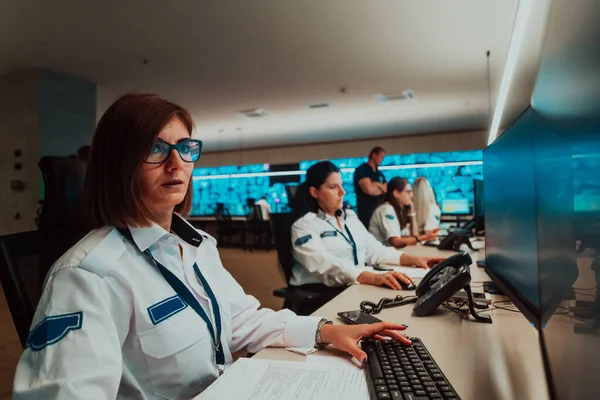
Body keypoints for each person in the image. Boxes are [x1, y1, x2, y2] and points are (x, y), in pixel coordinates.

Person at [13, 94, 413, 399]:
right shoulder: (87, 276)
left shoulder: (196, 244)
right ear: (119, 163)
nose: (177, 163)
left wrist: (325, 331)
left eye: (185, 148)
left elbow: (241, 321)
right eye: (155, 148)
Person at [291, 161, 442, 290]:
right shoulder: (304, 226)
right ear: (314, 192)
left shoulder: (349, 218)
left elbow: (375, 251)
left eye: (342, 186)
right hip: (321, 293)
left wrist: (415, 260)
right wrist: (374, 278)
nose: (342, 192)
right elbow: (325, 266)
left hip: (354, 285)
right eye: (333, 187)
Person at [369, 177, 440, 248]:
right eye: (408, 192)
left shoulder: (399, 211)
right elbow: (396, 242)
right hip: (382, 256)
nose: (412, 195)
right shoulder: (386, 210)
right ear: (396, 193)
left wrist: (412, 214)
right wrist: (425, 237)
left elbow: (414, 236)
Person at [353, 146, 387, 227]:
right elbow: (369, 190)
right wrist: (379, 185)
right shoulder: (362, 170)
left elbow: (386, 189)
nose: (382, 159)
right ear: (374, 155)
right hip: (366, 214)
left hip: (379, 212)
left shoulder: (380, 174)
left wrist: (375, 185)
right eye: (381, 156)